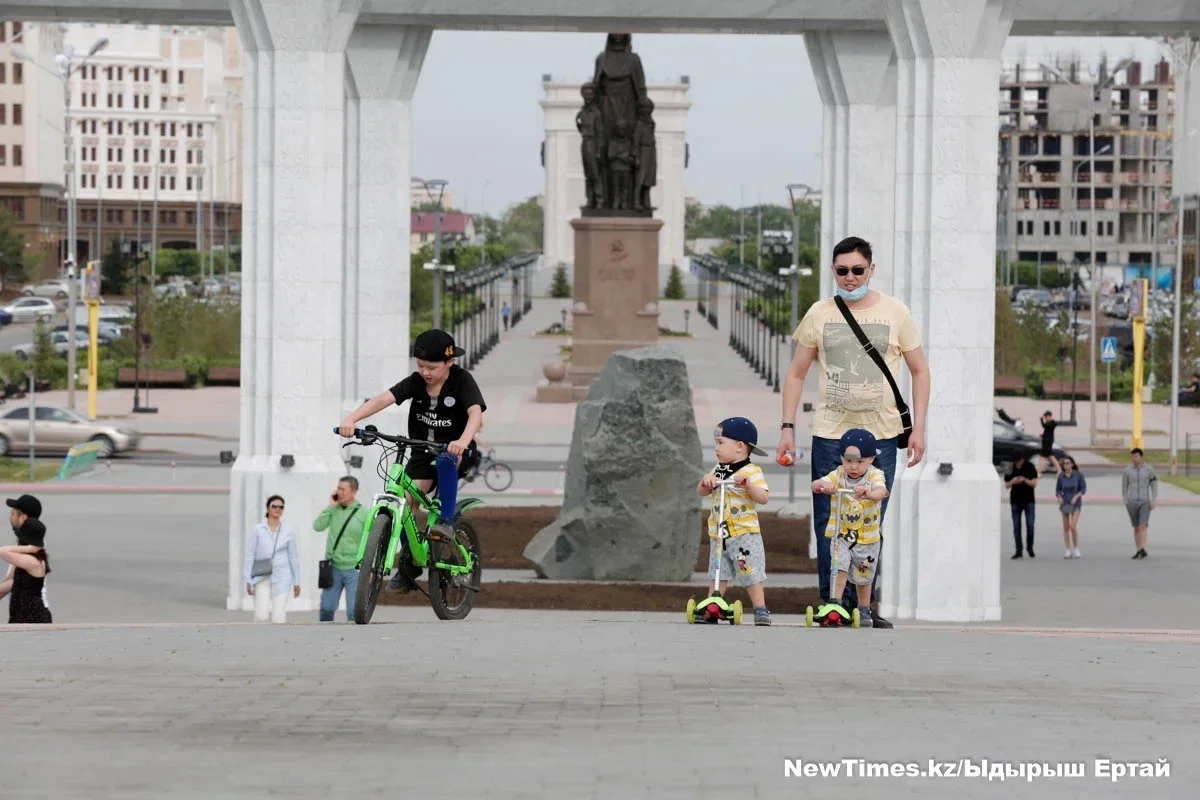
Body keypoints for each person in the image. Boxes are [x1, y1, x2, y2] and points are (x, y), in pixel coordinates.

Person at [777, 236, 931, 630]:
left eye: (857, 270)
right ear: (833, 270)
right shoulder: (819, 314)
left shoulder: (895, 312)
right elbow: (795, 374)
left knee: (868, 521)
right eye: (842, 270)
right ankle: (833, 604)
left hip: (881, 437)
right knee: (829, 520)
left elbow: (919, 370)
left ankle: (861, 606)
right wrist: (787, 428)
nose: (849, 278)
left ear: (871, 269)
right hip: (830, 435)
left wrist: (919, 428)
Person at [337, 329, 485, 590]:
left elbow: (475, 413)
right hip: (420, 450)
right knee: (404, 501)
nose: (426, 372)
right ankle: (410, 561)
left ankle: (447, 522)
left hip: (455, 451)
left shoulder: (462, 381)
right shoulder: (416, 382)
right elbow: (384, 398)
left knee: (445, 460)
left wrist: (462, 440)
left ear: (449, 362)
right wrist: (352, 419)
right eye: (420, 366)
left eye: (432, 367)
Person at [811, 429, 889, 628]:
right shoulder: (839, 474)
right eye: (848, 461)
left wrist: (869, 493)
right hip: (842, 535)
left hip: (867, 537)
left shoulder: (874, 475)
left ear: (871, 459)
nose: (853, 467)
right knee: (839, 566)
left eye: (860, 462)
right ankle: (835, 602)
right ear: (841, 459)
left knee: (864, 575)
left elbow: (882, 491)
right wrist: (823, 486)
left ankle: (863, 607)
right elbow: (817, 483)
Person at [698, 417, 772, 626]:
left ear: (740, 446)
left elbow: (763, 497)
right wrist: (706, 481)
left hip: (743, 532)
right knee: (718, 570)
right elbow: (701, 490)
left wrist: (748, 486)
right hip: (719, 532)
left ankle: (760, 607)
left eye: (721, 443)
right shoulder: (718, 469)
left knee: (750, 570)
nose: (716, 448)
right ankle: (714, 602)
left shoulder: (751, 471)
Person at [243, 494, 301, 623]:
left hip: (282, 576)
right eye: (274, 506)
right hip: (262, 575)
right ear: (268, 509)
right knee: (261, 615)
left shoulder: (288, 531)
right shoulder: (258, 530)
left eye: (281, 507)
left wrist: (297, 581)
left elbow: (293, 557)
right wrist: (248, 578)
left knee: (278, 617)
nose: (277, 509)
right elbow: (250, 555)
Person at [314, 476, 364, 622]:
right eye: (338, 488)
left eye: (343, 489)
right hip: (333, 567)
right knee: (326, 608)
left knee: (353, 611)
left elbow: (369, 542)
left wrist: (371, 567)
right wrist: (330, 507)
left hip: (354, 569)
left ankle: (354, 640)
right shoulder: (333, 510)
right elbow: (317, 526)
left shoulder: (364, 513)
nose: (339, 492)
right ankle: (324, 636)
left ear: (353, 491)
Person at [1, 517, 52, 624]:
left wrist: (29, 548)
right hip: (24, 612)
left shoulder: (31, 561)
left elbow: (3, 551)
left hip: (31, 615)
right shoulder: (34, 558)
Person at [3, 494, 47, 612]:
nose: (10, 518)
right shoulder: (28, 543)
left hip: (31, 612)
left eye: (13, 514)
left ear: (23, 518)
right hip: (22, 609)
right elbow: (10, 578)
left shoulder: (30, 548)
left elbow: (13, 582)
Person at [1122, 448, 1157, 560]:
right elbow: (1124, 486)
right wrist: (1126, 500)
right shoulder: (1127, 470)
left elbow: (1154, 485)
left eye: (1136, 456)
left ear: (1141, 457)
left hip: (1144, 501)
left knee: (1143, 525)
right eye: (1132, 456)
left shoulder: (1149, 469)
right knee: (1136, 527)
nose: (1134, 458)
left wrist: (1154, 499)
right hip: (1132, 501)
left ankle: (1142, 548)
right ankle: (1138, 549)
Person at [1004, 452, 1039, 558]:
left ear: (1023, 459)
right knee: (1016, 526)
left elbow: (1034, 484)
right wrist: (1013, 481)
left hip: (1029, 500)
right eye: (1016, 461)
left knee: (1030, 525)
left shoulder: (1030, 466)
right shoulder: (1010, 466)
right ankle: (1018, 550)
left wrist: (1025, 480)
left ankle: (1030, 547)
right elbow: (1006, 485)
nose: (1017, 463)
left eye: (1019, 461)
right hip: (1015, 500)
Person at [1054, 457, 1086, 559]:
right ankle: (1068, 549)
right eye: (1065, 464)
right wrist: (1059, 497)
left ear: (1072, 464)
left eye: (1068, 463)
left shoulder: (1078, 475)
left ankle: (1076, 548)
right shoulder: (1061, 476)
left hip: (1075, 503)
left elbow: (1083, 488)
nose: (1066, 465)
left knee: (1073, 526)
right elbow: (1057, 489)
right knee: (1066, 527)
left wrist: (1076, 496)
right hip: (1065, 502)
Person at [1038, 411, 1060, 476]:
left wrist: (1041, 419)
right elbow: (1047, 431)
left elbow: (1044, 426)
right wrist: (1042, 435)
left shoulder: (1052, 423)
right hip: (1046, 441)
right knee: (1051, 457)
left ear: (1049, 416)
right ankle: (1059, 470)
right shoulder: (1049, 423)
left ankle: (1039, 472)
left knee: (1042, 456)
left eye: (1046, 417)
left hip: (1048, 442)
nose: (1045, 418)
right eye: (1044, 417)